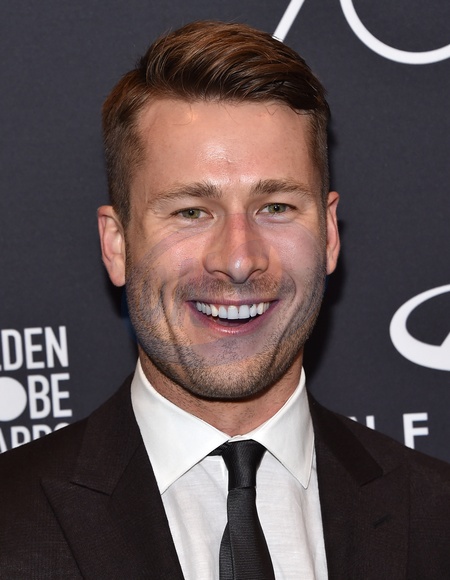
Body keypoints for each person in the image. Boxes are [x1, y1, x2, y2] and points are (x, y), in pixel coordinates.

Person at [0, 20, 449, 580]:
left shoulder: (436, 518)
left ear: (330, 233)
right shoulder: (12, 525)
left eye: (276, 207)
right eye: (191, 211)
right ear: (116, 245)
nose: (238, 260)